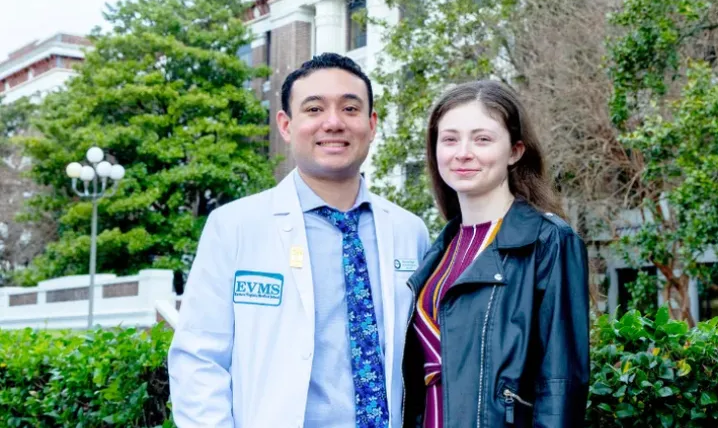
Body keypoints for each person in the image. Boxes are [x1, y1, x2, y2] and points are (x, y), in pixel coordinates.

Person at [168, 52, 430, 428]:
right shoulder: (235, 226)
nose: (334, 122)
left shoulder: (409, 232)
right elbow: (198, 358)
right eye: (314, 109)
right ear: (286, 125)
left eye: (350, 108)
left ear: (372, 125)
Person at [401, 80, 590, 427]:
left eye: (482, 138)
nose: (463, 152)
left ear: (515, 150)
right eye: (450, 139)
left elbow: (561, 385)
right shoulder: (438, 250)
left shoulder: (549, 241)